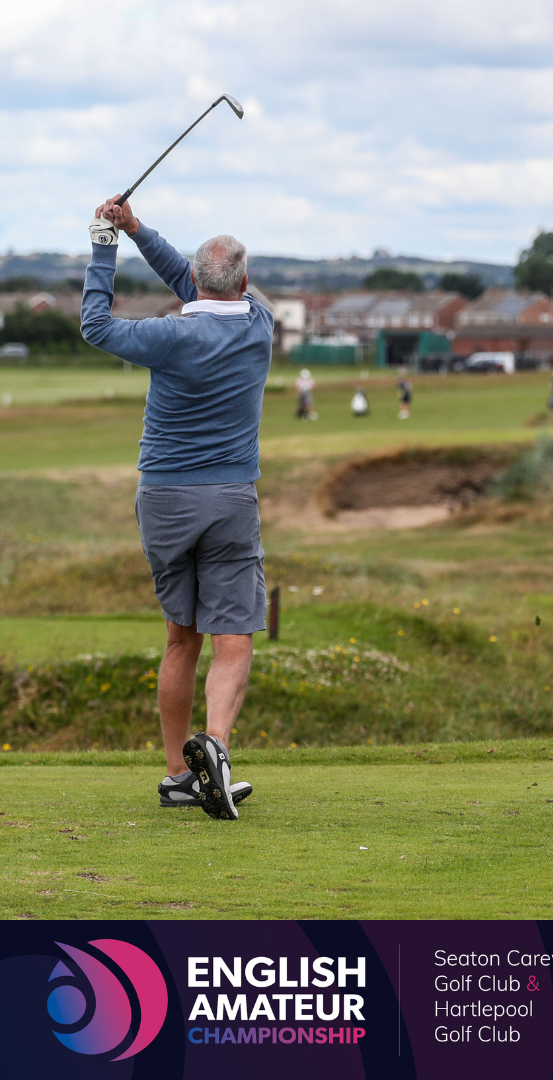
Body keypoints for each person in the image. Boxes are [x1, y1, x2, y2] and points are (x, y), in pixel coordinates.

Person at [81, 196, 272, 821]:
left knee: (180, 637)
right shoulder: (259, 325)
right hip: (228, 500)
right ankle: (213, 749)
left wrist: (111, 243)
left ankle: (177, 776)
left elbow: (97, 327)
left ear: (197, 282)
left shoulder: (170, 335)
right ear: (243, 284)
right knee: (234, 637)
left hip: (162, 498)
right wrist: (137, 230)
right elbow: (203, 283)